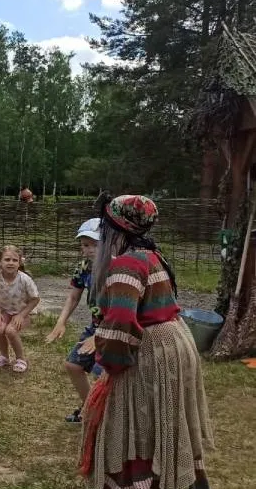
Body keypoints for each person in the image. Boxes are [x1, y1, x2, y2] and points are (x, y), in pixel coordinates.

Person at [79, 194, 214, 489]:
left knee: (139, 421)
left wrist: (110, 365)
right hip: (176, 342)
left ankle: (145, 480)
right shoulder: (152, 256)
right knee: (165, 417)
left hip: (153, 350)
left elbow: (120, 324)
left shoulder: (126, 265)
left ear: (114, 231)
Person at [45, 218, 103, 423]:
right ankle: (91, 409)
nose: (88, 250)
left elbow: (122, 309)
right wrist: (61, 322)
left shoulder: (117, 269)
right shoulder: (84, 267)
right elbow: (74, 296)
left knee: (101, 375)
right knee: (73, 365)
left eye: (94, 245)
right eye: (85, 245)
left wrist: (99, 337)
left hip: (116, 328)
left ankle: (106, 417)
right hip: (96, 326)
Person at [0, 245, 40, 373]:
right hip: (5, 312)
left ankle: (21, 359)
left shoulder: (25, 279)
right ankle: (4, 357)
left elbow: (35, 299)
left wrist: (21, 315)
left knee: (10, 331)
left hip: (23, 313)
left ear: (19, 263)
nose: (11, 263)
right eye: (7, 259)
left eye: (14, 260)